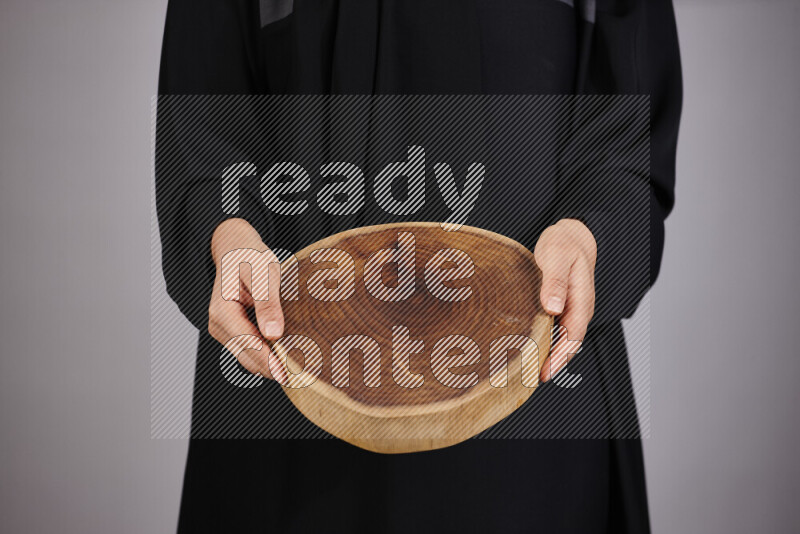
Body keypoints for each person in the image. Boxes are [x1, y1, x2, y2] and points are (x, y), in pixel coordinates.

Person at [156, 0, 681, 531]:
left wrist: (589, 232)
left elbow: (630, 125)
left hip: (534, 406)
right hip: (283, 394)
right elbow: (200, 114)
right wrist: (224, 232)